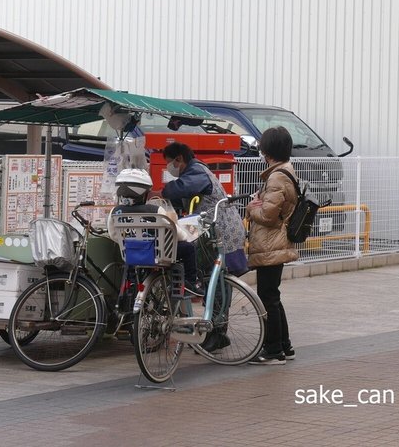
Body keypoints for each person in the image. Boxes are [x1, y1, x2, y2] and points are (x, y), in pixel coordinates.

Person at [160, 141, 247, 351]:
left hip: (222, 231)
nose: (169, 168)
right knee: (215, 281)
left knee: (216, 282)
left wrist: (162, 189)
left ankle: (215, 333)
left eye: (170, 164)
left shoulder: (196, 171)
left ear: (179, 158)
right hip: (218, 230)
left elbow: (180, 188)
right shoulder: (196, 170)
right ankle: (215, 332)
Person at [245, 126, 298, 364]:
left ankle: (273, 349)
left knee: (267, 297)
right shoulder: (286, 171)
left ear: (268, 151)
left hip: (270, 244)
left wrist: (251, 207)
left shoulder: (277, 176)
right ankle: (284, 345)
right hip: (275, 243)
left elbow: (267, 215)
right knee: (272, 296)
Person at [106, 167, 200, 294]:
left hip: (132, 254)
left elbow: (113, 235)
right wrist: (186, 235)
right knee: (189, 248)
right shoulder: (156, 211)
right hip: (157, 254)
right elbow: (179, 235)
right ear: (143, 193)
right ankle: (190, 285)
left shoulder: (115, 212)